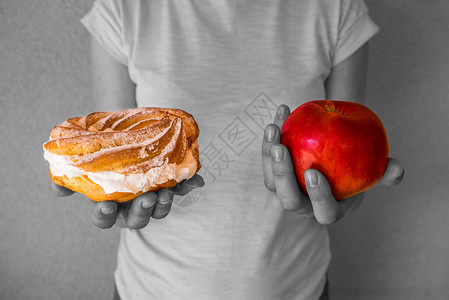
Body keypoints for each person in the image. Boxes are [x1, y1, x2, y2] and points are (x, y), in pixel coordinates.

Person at [51, 0, 404, 299]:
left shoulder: (336, 7)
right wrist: (118, 197)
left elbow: (349, 154)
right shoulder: (123, 8)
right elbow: (117, 154)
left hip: (298, 288)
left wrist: (348, 194)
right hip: (149, 289)